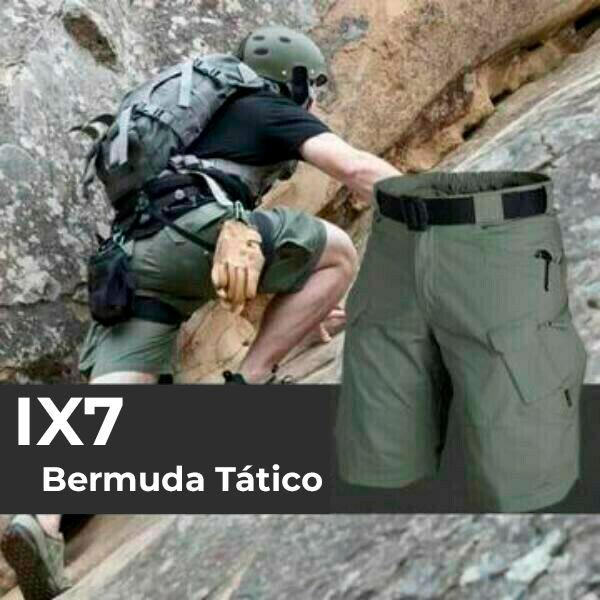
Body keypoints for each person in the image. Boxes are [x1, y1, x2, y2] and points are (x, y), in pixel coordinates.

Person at [1, 24, 401, 600]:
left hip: (132, 260)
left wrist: (312, 321)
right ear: (290, 79)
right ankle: (251, 382)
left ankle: (39, 521)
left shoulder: (203, 119)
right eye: (312, 86)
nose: (315, 99)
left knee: (110, 400)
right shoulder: (265, 106)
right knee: (336, 251)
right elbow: (356, 169)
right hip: (198, 233)